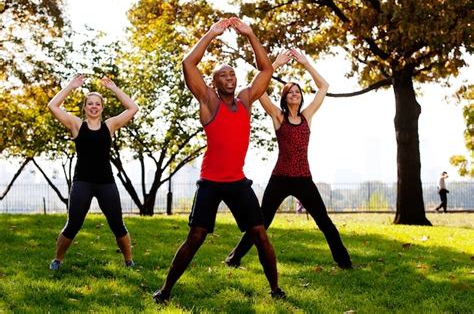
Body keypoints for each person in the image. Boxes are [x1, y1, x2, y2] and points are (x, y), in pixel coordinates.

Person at [152, 17, 285, 303]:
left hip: (237, 182)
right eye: (224, 76)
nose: (230, 79)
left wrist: (250, 33)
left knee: (260, 235)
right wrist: (211, 33)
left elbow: (266, 69)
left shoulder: (246, 101)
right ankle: (165, 290)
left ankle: (275, 290)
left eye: (233, 75)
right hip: (211, 182)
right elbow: (189, 65)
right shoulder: (209, 102)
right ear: (214, 83)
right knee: (196, 236)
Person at [225, 49, 353, 270]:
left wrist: (306, 63)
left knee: (324, 222)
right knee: (261, 224)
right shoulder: (278, 116)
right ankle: (234, 258)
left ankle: (345, 263)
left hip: (304, 179)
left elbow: (324, 87)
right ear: (284, 98)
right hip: (280, 179)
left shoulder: (307, 116)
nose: (295, 94)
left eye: (298, 92)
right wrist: (274, 64)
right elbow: (258, 90)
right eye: (290, 92)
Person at [47, 75, 138, 270]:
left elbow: (133, 108)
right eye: (90, 104)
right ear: (85, 107)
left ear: (102, 108)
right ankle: (58, 259)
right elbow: (53, 106)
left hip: (106, 181)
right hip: (83, 182)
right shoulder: (77, 125)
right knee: (73, 224)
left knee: (117, 224)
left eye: (98, 104)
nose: (94, 107)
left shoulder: (110, 125)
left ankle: (129, 260)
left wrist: (114, 89)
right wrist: (71, 86)